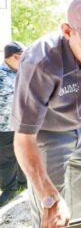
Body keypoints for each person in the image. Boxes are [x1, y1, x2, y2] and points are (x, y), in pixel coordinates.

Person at [10, 0, 81, 227]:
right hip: (47, 138)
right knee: (51, 213)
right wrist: (50, 198)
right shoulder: (40, 62)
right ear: (67, 31)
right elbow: (23, 137)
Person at [0, 42, 27, 207]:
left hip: (21, 124)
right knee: (5, 159)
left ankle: (22, 182)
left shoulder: (22, 72)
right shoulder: (1, 75)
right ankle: (10, 188)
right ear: (15, 56)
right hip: (3, 126)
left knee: (21, 154)